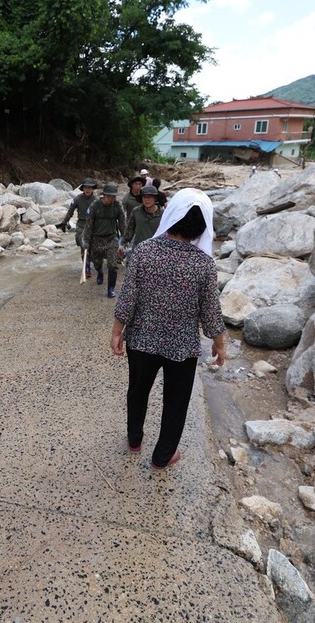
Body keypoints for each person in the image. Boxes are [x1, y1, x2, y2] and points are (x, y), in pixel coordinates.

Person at [110, 188, 226, 469]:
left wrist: (116, 332)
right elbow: (211, 312)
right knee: (176, 402)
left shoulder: (144, 251)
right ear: (203, 226)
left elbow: (128, 297)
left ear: (172, 216)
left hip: (141, 341)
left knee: (137, 391)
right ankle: (163, 456)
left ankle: (134, 439)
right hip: (182, 347)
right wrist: (220, 345)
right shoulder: (204, 264)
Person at [82, 182, 126, 298]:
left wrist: (124, 239)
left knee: (112, 265)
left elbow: (122, 223)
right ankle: (100, 272)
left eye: (113, 196)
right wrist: (85, 241)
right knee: (96, 262)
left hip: (111, 238)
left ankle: (110, 289)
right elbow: (88, 225)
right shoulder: (94, 206)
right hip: (96, 239)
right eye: (109, 196)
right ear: (104, 195)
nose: (111, 198)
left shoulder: (117, 206)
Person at [56, 178, 98, 277]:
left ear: (92, 189)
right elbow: (70, 211)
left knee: (93, 248)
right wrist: (64, 223)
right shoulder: (78, 199)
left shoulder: (97, 200)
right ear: (82, 189)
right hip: (81, 226)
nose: (87, 190)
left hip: (93, 226)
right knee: (83, 247)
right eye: (85, 188)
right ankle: (86, 268)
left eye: (90, 188)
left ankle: (92, 263)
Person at [122, 185, 163, 263]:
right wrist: (122, 245)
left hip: (157, 252)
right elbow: (129, 231)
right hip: (138, 250)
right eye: (144, 197)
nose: (147, 200)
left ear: (155, 198)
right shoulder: (136, 211)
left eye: (150, 197)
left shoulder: (163, 214)